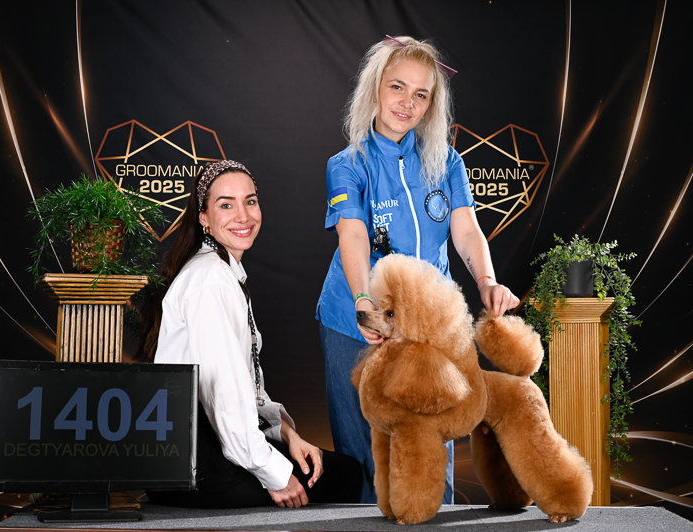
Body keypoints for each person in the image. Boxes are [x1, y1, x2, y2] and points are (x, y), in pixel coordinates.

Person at [315, 36, 520, 504]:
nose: (407, 102)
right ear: (375, 89)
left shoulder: (446, 161)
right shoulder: (347, 165)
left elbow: (466, 231)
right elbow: (353, 236)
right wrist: (364, 303)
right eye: (397, 87)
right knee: (365, 453)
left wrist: (487, 281)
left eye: (421, 94)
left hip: (428, 326)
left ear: (431, 105)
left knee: (429, 445)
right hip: (354, 320)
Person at [137, 160, 362, 509]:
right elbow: (224, 393)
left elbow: (247, 392)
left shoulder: (223, 272)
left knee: (335, 469)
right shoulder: (211, 280)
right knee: (344, 476)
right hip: (193, 466)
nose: (243, 216)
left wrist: (289, 436)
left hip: (202, 453)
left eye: (250, 201)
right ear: (203, 217)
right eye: (226, 205)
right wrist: (274, 473)